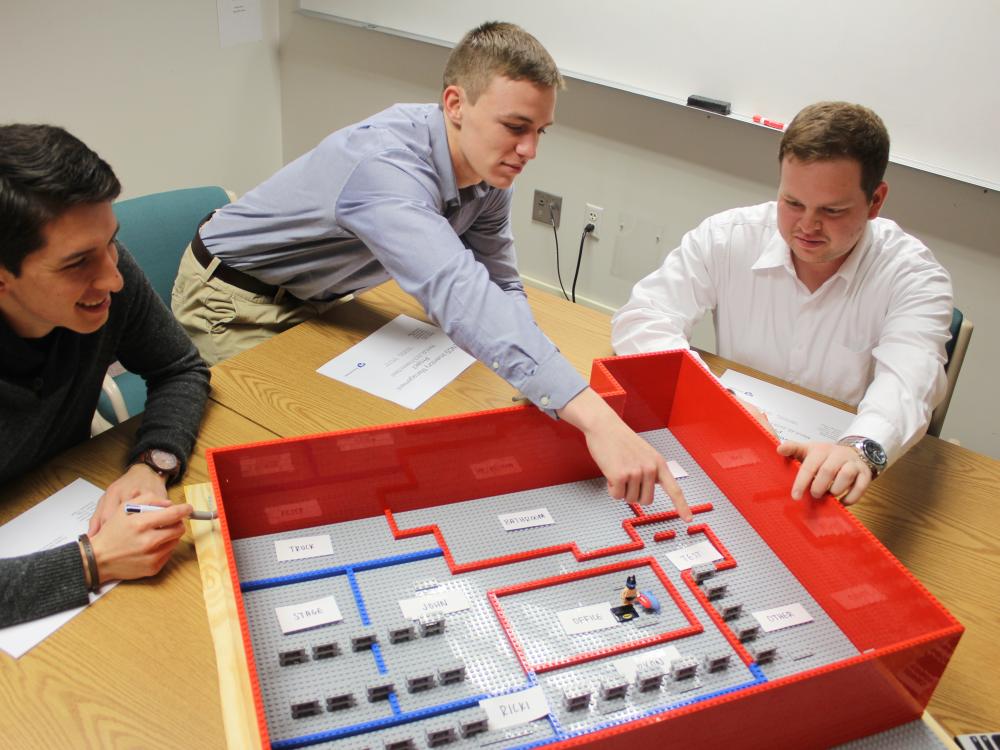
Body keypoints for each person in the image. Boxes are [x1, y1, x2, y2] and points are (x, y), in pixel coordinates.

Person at [171, 21, 690, 519]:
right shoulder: (385, 167)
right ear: (455, 104)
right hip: (231, 298)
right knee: (278, 460)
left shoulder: (487, 171)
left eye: (539, 131)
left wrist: (541, 380)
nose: (529, 151)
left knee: (375, 443)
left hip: (318, 298)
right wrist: (596, 418)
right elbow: (457, 290)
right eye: (515, 128)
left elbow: (499, 282)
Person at [611, 102, 952, 506]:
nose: (807, 226)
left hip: (828, 479)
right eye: (792, 203)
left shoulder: (914, 276)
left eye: (831, 210)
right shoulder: (729, 236)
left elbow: (910, 384)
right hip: (731, 449)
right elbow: (643, 318)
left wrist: (859, 450)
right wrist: (718, 404)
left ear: (875, 201)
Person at [0, 124, 211, 627]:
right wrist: (91, 561)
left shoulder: (109, 277)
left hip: (51, 494)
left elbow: (179, 368)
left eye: (111, 244)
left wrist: (152, 464)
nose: (113, 278)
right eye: (77, 263)